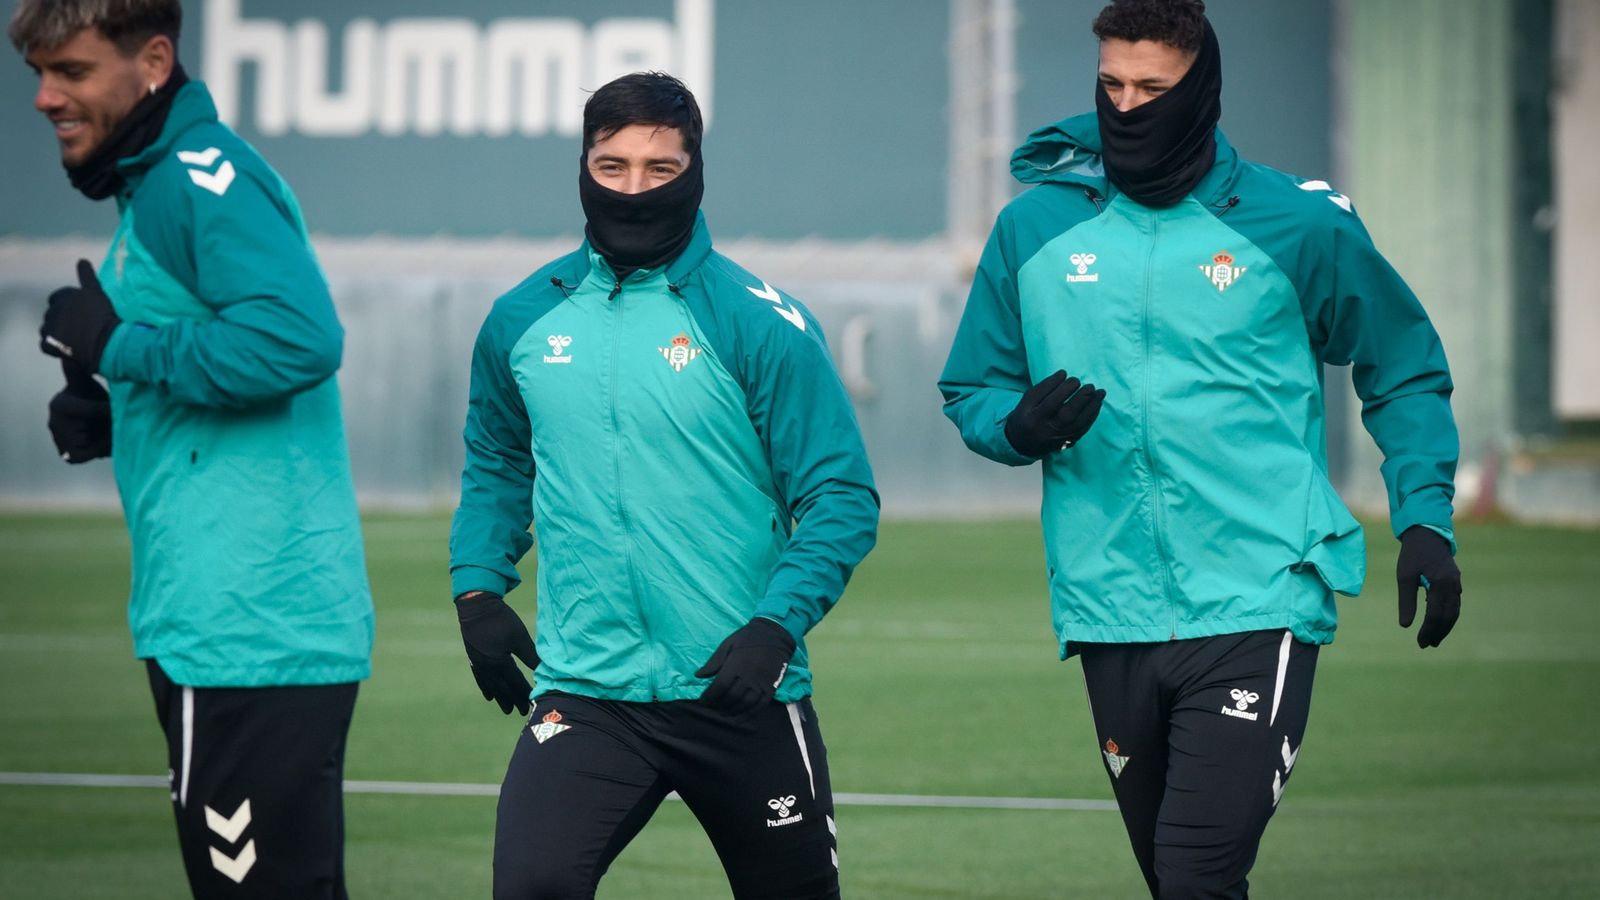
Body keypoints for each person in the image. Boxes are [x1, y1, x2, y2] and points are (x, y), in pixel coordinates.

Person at [938, 1, 1463, 896]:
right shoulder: (1035, 230)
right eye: (1111, 85)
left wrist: (1425, 520)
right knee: (1180, 880)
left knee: (1193, 875)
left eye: (1153, 88)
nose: (1128, 106)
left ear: (1203, 86)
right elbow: (972, 389)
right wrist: (1015, 426)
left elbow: (1403, 367)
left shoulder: (1299, 224)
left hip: (1261, 592)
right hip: (1108, 606)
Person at [448, 71, 878, 899]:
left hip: (739, 688)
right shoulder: (521, 320)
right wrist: (477, 590)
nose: (634, 189)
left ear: (697, 170)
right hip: (589, 690)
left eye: (659, 169)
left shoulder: (759, 320)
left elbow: (840, 498)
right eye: (611, 168)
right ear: (583, 166)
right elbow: (499, 461)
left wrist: (774, 628)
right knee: (531, 886)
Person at [13, 1, 373, 896]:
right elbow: (215, 354)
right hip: (215, 620)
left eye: (73, 71)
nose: (46, 97)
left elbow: (299, 340)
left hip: (253, 625)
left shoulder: (194, 178)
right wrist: (115, 406)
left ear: (154, 60)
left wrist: (117, 349)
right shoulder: (157, 185)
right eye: (40, 75)